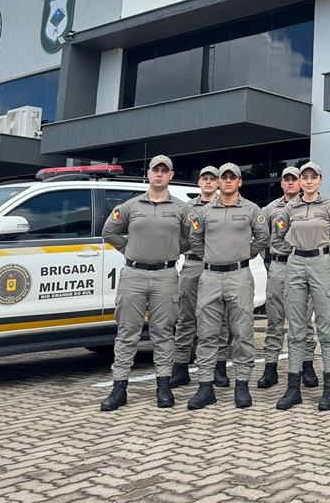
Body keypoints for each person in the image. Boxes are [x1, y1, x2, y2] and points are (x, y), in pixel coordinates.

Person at [100, 155, 192, 411]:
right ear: (148, 174)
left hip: (165, 276)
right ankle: (119, 388)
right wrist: (129, 249)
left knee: (163, 333)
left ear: (171, 175)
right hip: (134, 275)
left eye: (164, 170)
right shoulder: (130, 206)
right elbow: (109, 231)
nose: (159, 174)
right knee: (127, 333)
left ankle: (163, 386)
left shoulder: (182, 208)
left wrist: (173, 248)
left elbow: (194, 237)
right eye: (155, 170)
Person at [271, 162, 330, 411]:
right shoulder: (291, 207)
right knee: (296, 329)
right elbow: (277, 233)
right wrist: (291, 248)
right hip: (295, 264)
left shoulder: (329, 206)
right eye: (304, 177)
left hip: (321, 263)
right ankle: (293, 389)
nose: (308, 181)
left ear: (320, 180)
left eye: (312, 177)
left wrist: (328, 248)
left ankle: (329, 390)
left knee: (326, 329)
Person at [185, 163, 269, 410]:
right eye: (225, 177)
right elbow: (195, 239)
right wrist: (210, 257)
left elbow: (262, 237)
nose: (229, 181)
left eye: (233, 177)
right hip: (210, 277)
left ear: (240, 182)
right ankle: (205, 387)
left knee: (242, 332)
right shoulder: (204, 212)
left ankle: (241, 385)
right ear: (219, 182)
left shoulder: (252, 209)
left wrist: (243, 255)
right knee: (207, 333)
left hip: (239, 276)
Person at [170, 166, 232, 390]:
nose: (208, 182)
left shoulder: (226, 206)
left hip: (218, 268)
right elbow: (179, 236)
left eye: (212, 179)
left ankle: (219, 366)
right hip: (194, 264)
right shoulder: (187, 208)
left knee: (220, 319)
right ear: (199, 182)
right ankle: (180, 366)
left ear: (218, 183)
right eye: (204, 178)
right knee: (185, 318)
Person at [259, 167, 318, 390]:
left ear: (301, 182)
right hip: (279, 266)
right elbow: (260, 235)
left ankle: (307, 365)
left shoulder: (311, 206)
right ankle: (270, 368)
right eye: (287, 179)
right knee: (274, 319)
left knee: (304, 319)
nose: (291, 183)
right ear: (282, 183)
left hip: (303, 264)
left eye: (295, 179)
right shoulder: (270, 209)